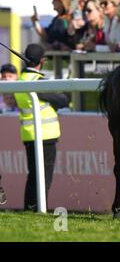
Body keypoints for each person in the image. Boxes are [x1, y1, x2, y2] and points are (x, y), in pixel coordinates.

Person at [14, 44, 69, 211]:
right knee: (43, 177)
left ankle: (30, 208)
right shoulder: (39, 81)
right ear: (42, 61)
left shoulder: (21, 80)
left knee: (33, 175)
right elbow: (63, 100)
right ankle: (38, 208)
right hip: (46, 135)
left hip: (28, 134)